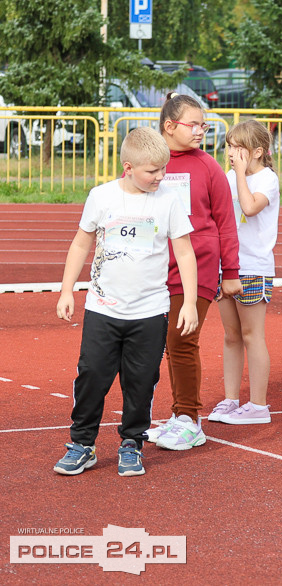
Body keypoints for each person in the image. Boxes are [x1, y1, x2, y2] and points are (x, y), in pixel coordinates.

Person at [54, 128, 197, 477]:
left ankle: (132, 443)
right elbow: (80, 244)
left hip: (149, 312)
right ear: (129, 167)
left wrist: (190, 301)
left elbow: (184, 251)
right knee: (91, 376)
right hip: (103, 309)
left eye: (163, 169)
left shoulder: (168, 200)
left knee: (141, 380)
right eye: (153, 171)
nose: (160, 177)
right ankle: (82, 445)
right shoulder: (101, 197)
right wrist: (66, 289)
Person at [149, 93, 241, 451]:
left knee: (181, 340)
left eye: (205, 124)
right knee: (164, 343)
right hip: (156, 266)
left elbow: (226, 221)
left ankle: (189, 418)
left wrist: (229, 271)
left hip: (197, 267)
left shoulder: (207, 167)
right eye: (195, 124)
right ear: (170, 127)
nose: (202, 130)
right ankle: (178, 415)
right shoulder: (152, 161)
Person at [209, 120, 279, 426]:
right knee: (231, 336)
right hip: (227, 266)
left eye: (238, 147)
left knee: (252, 335)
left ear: (257, 152)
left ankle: (258, 405)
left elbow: (250, 208)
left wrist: (239, 174)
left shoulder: (267, 179)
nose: (231, 153)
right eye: (229, 146)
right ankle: (230, 399)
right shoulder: (227, 176)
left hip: (254, 267)